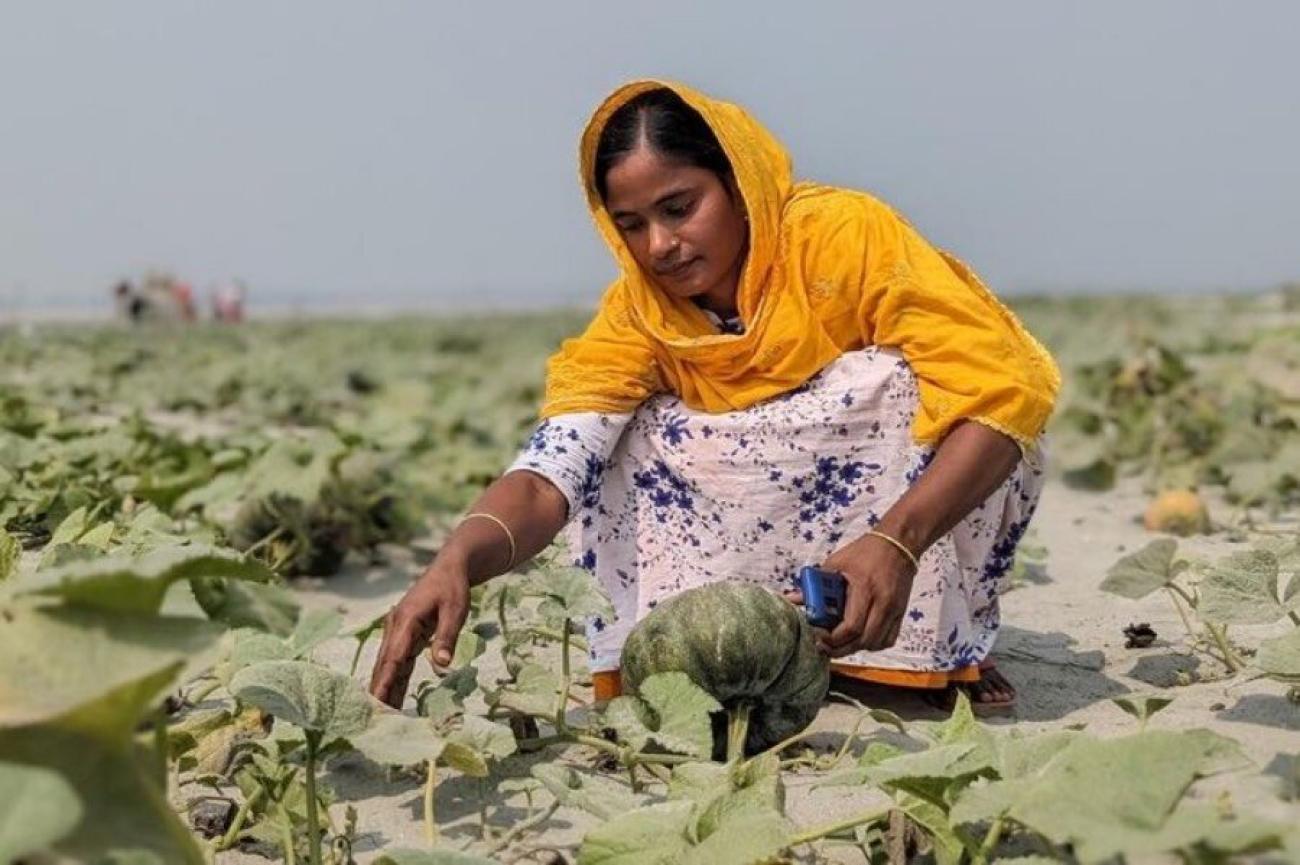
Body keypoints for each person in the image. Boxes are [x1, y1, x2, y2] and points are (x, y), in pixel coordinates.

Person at [370, 80, 1059, 714]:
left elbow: (1003, 389)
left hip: (898, 526)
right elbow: (554, 468)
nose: (660, 245)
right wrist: (457, 557)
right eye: (632, 224)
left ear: (737, 181)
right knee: (621, 429)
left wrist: (896, 543)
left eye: (679, 207)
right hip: (751, 549)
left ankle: (936, 647)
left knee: (910, 383)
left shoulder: (843, 239)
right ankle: (737, 649)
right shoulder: (639, 314)